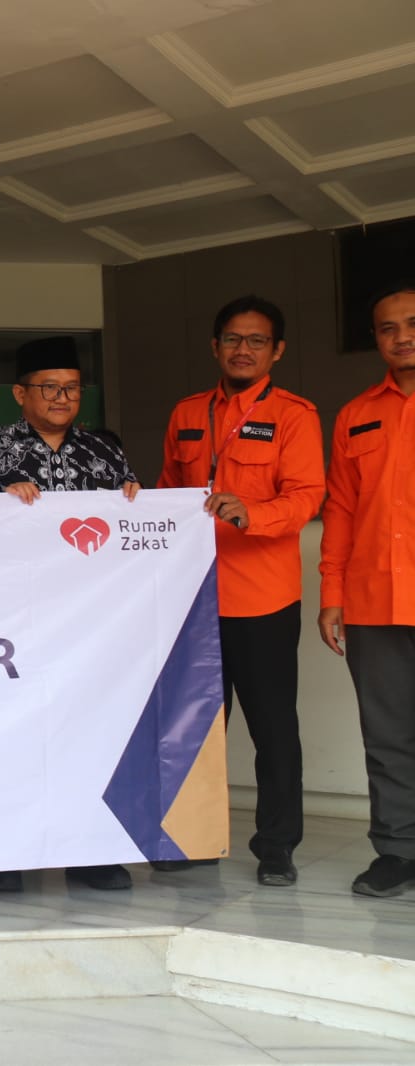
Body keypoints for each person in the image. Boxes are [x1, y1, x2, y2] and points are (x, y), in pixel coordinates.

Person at [0, 333, 140, 894]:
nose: (62, 398)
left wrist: (138, 498)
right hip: (12, 625)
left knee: (89, 733)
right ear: (20, 393)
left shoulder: (105, 452)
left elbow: (132, 530)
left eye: (72, 388)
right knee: (11, 734)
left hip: (88, 626)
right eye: (49, 388)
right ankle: (4, 854)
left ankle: (90, 852)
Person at [157, 295, 324, 887]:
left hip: (262, 600)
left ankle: (276, 846)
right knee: (196, 729)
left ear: (276, 351)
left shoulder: (295, 415)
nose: (243, 349)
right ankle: (192, 838)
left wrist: (252, 512)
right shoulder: (186, 412)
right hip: (194, 598)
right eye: (232, 339)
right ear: (215, 347)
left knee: (272, 729)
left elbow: (306, 496)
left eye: (256, 341)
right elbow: (168, 490)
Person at [319, 279, 415, 898]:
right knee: (386, 734)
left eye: (412, 323)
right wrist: (332, 592)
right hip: (374, 598)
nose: (402, 337)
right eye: (388, 328)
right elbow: (342, 510)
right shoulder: (356, 415)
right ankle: (399, 850)